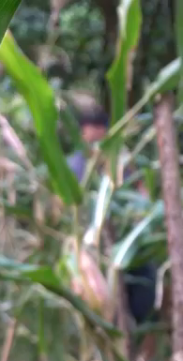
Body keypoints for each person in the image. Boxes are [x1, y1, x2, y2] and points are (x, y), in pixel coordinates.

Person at [68, 107, 159, 327]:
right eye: (93, 139)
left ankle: (137, 328)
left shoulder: (122, 163)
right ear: (82, 135)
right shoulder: (73, 167)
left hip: (126, 243)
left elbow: (142, 194)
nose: (98, 146)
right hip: (90, 251)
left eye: (102, 138)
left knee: (144, 287)